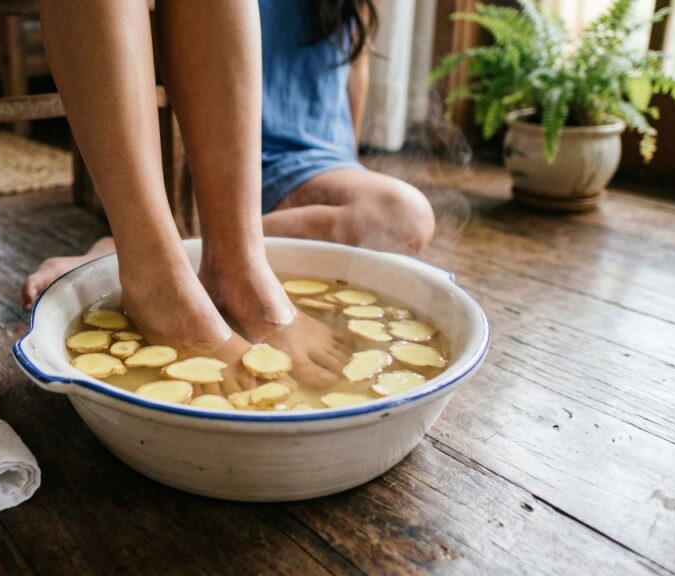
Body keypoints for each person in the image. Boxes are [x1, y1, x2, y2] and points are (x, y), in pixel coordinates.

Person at [35, 0, 428, 393]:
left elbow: (354, 70)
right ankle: (155, 272)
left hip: (317, 158)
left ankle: (236, 267)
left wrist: (350, 163)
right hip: (262, 156)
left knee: (405, 215)